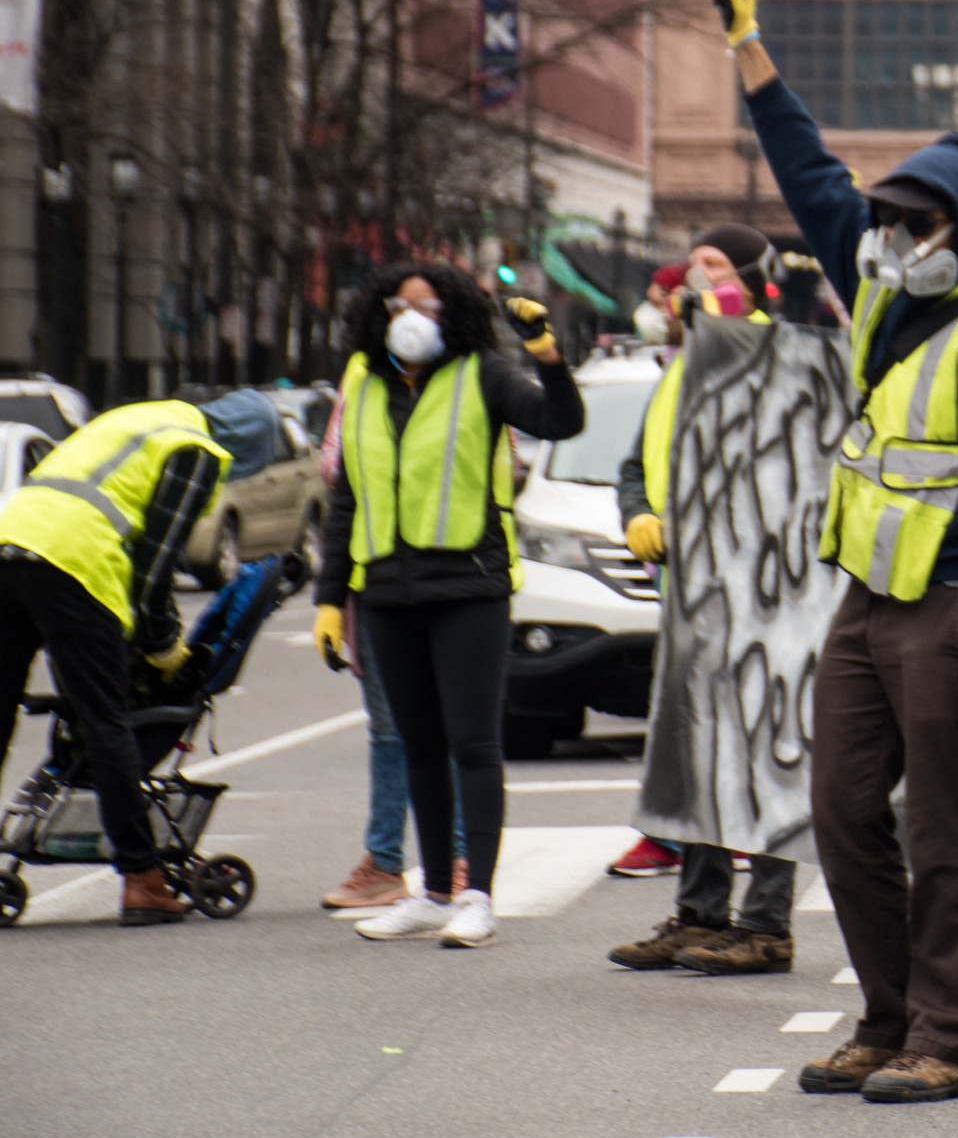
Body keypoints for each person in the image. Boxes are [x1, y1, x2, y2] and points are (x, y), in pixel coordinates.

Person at [713, 0, 958, 1103]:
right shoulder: (874, 295)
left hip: (957, 606)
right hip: (867, 599)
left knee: (946, 832)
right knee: (844, 811)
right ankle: (887, 1016)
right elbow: (806, 167)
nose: (891, 234)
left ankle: (945, 1043)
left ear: (956, 229)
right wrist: (752, 49)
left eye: (916, 221)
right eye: (887, 219)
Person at [312, 264, 584, 949]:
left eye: (427, 307)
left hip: (468, 587)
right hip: (386, 595)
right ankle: (432, 893)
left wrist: (546, 355)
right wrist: (327, 599)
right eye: (399, 305)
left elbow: (562, 420)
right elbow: (346, 499)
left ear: (455, 315)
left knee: (473, 744)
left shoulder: (484, 375)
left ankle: (477, 897)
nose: (411, 317)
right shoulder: (366, 384)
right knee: (418, 746)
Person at [0, 388, 280, 924]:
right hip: (73, 563)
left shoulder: (135, 416)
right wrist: (165, 648)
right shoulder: (196, 449)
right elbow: (153, 572)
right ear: (244, 444)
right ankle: (142, 879)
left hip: (9, 544)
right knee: (106, 721)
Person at [605, 222, 803, 975]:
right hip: (689, 594)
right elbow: (635, 465)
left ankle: (765, 925)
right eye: (690, 265)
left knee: (763, 756)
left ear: (753, 281)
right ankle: (698, 913)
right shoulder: (681, 365)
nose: (693, 278)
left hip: (761, 593)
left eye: (713, 266)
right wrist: (639, 514)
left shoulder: (780, 360)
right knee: (696, 755)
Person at [314, 390, 466, 910]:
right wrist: (329, 601)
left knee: (450, 729)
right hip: (376, 580)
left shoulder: (468, 379)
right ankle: (384, 862)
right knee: (388, 728)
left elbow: (500, 466)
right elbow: (335, 470)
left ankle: (462, 862)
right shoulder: (362, 380)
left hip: (452, 577)